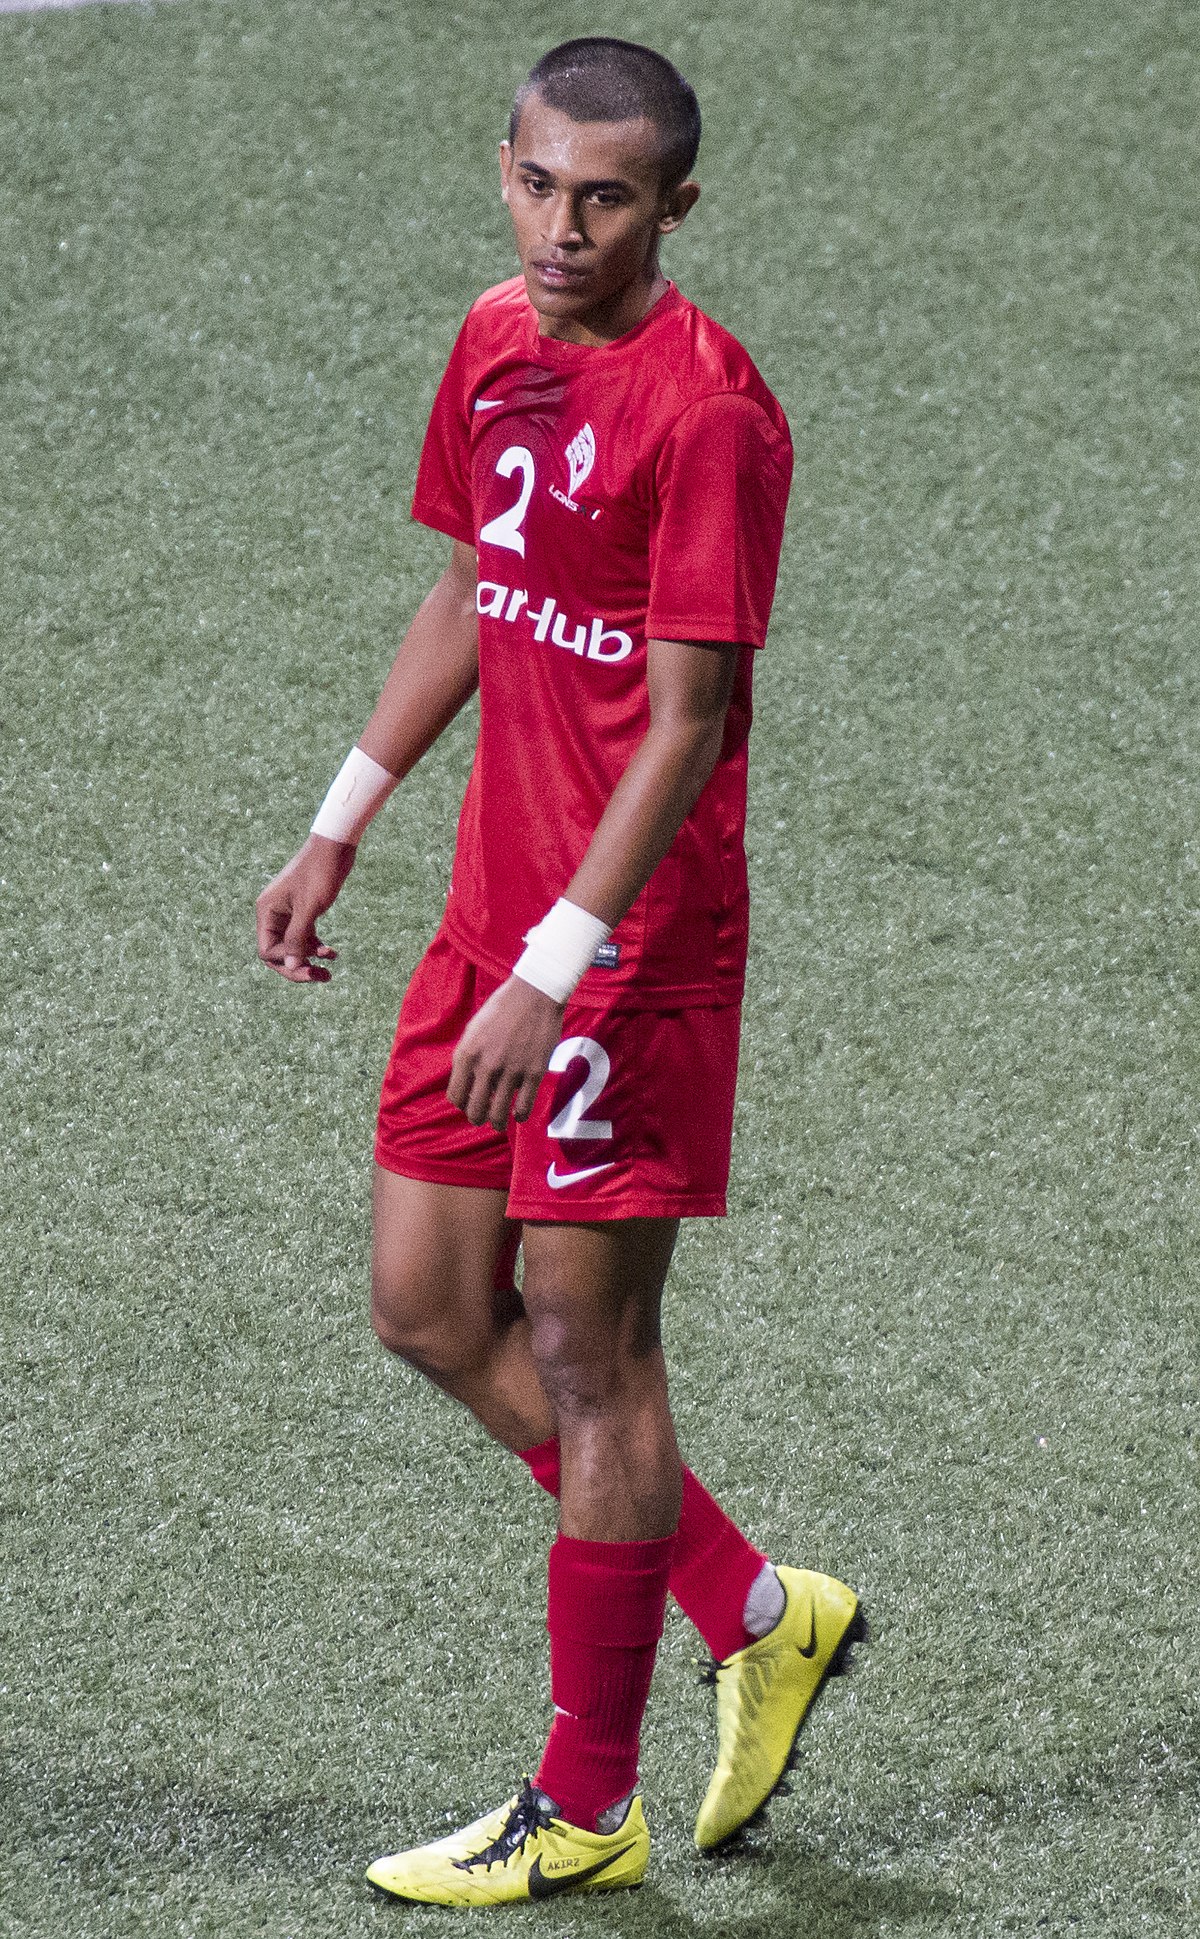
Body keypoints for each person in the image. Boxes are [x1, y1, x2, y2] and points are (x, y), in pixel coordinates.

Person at [256, 35, 863, 1908]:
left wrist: (558, 963)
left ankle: (584, 1800)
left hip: (620, 957)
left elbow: (691, 719)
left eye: (605, 197)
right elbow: (469, 586)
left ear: (675, 205)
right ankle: (757, 1610)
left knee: (594, 1358)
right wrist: (344, 818)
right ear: (503, 167)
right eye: (536, 182)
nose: (561, 226)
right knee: (433, 1310)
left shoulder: (712, 416)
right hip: (482, 918)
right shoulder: (494, 338)